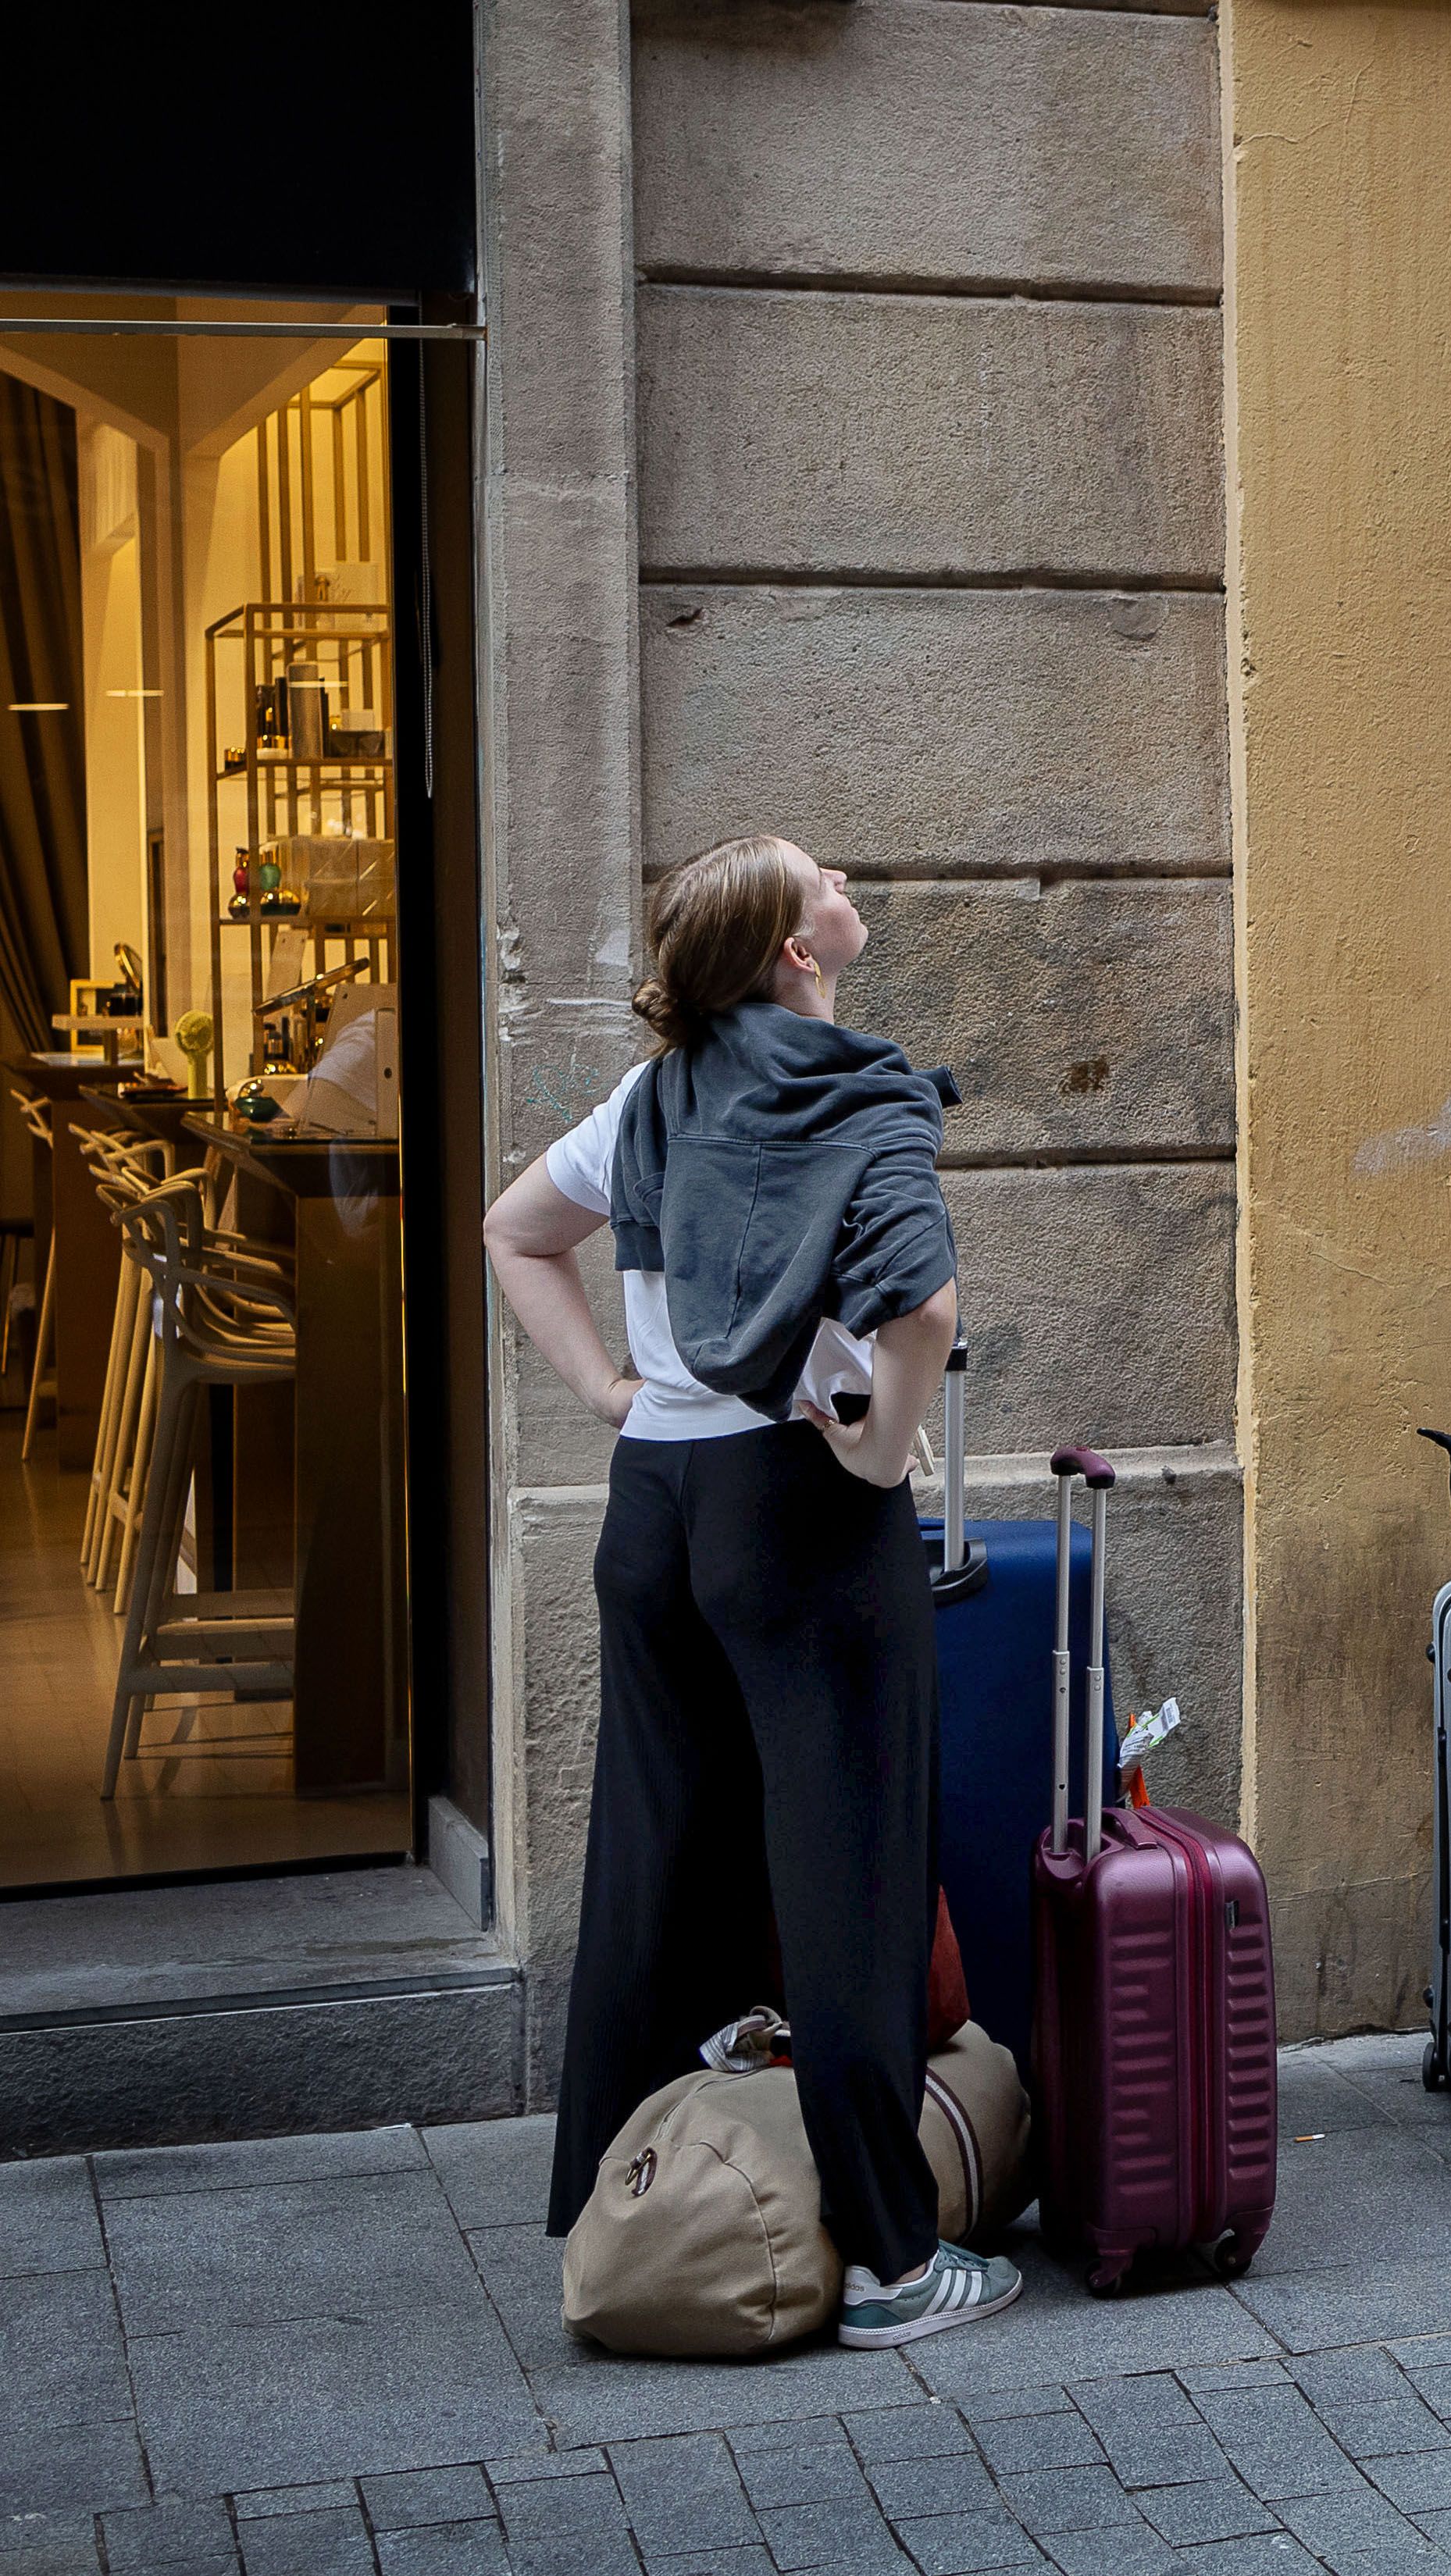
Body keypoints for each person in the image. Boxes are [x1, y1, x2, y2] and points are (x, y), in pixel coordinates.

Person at [487, 832, 1018, 2350]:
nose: (849, 887)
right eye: (824, 881)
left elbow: (516, 1233)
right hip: (795, 1511)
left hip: (654, 1505)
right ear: (799, 951)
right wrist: (880, 1455)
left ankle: (619, 2209)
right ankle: (895, 2272)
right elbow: (918, 1303)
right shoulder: (856, 1090)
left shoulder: (656, 1095)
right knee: (846, 1876)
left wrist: (607, 1387)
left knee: (648, 1858)